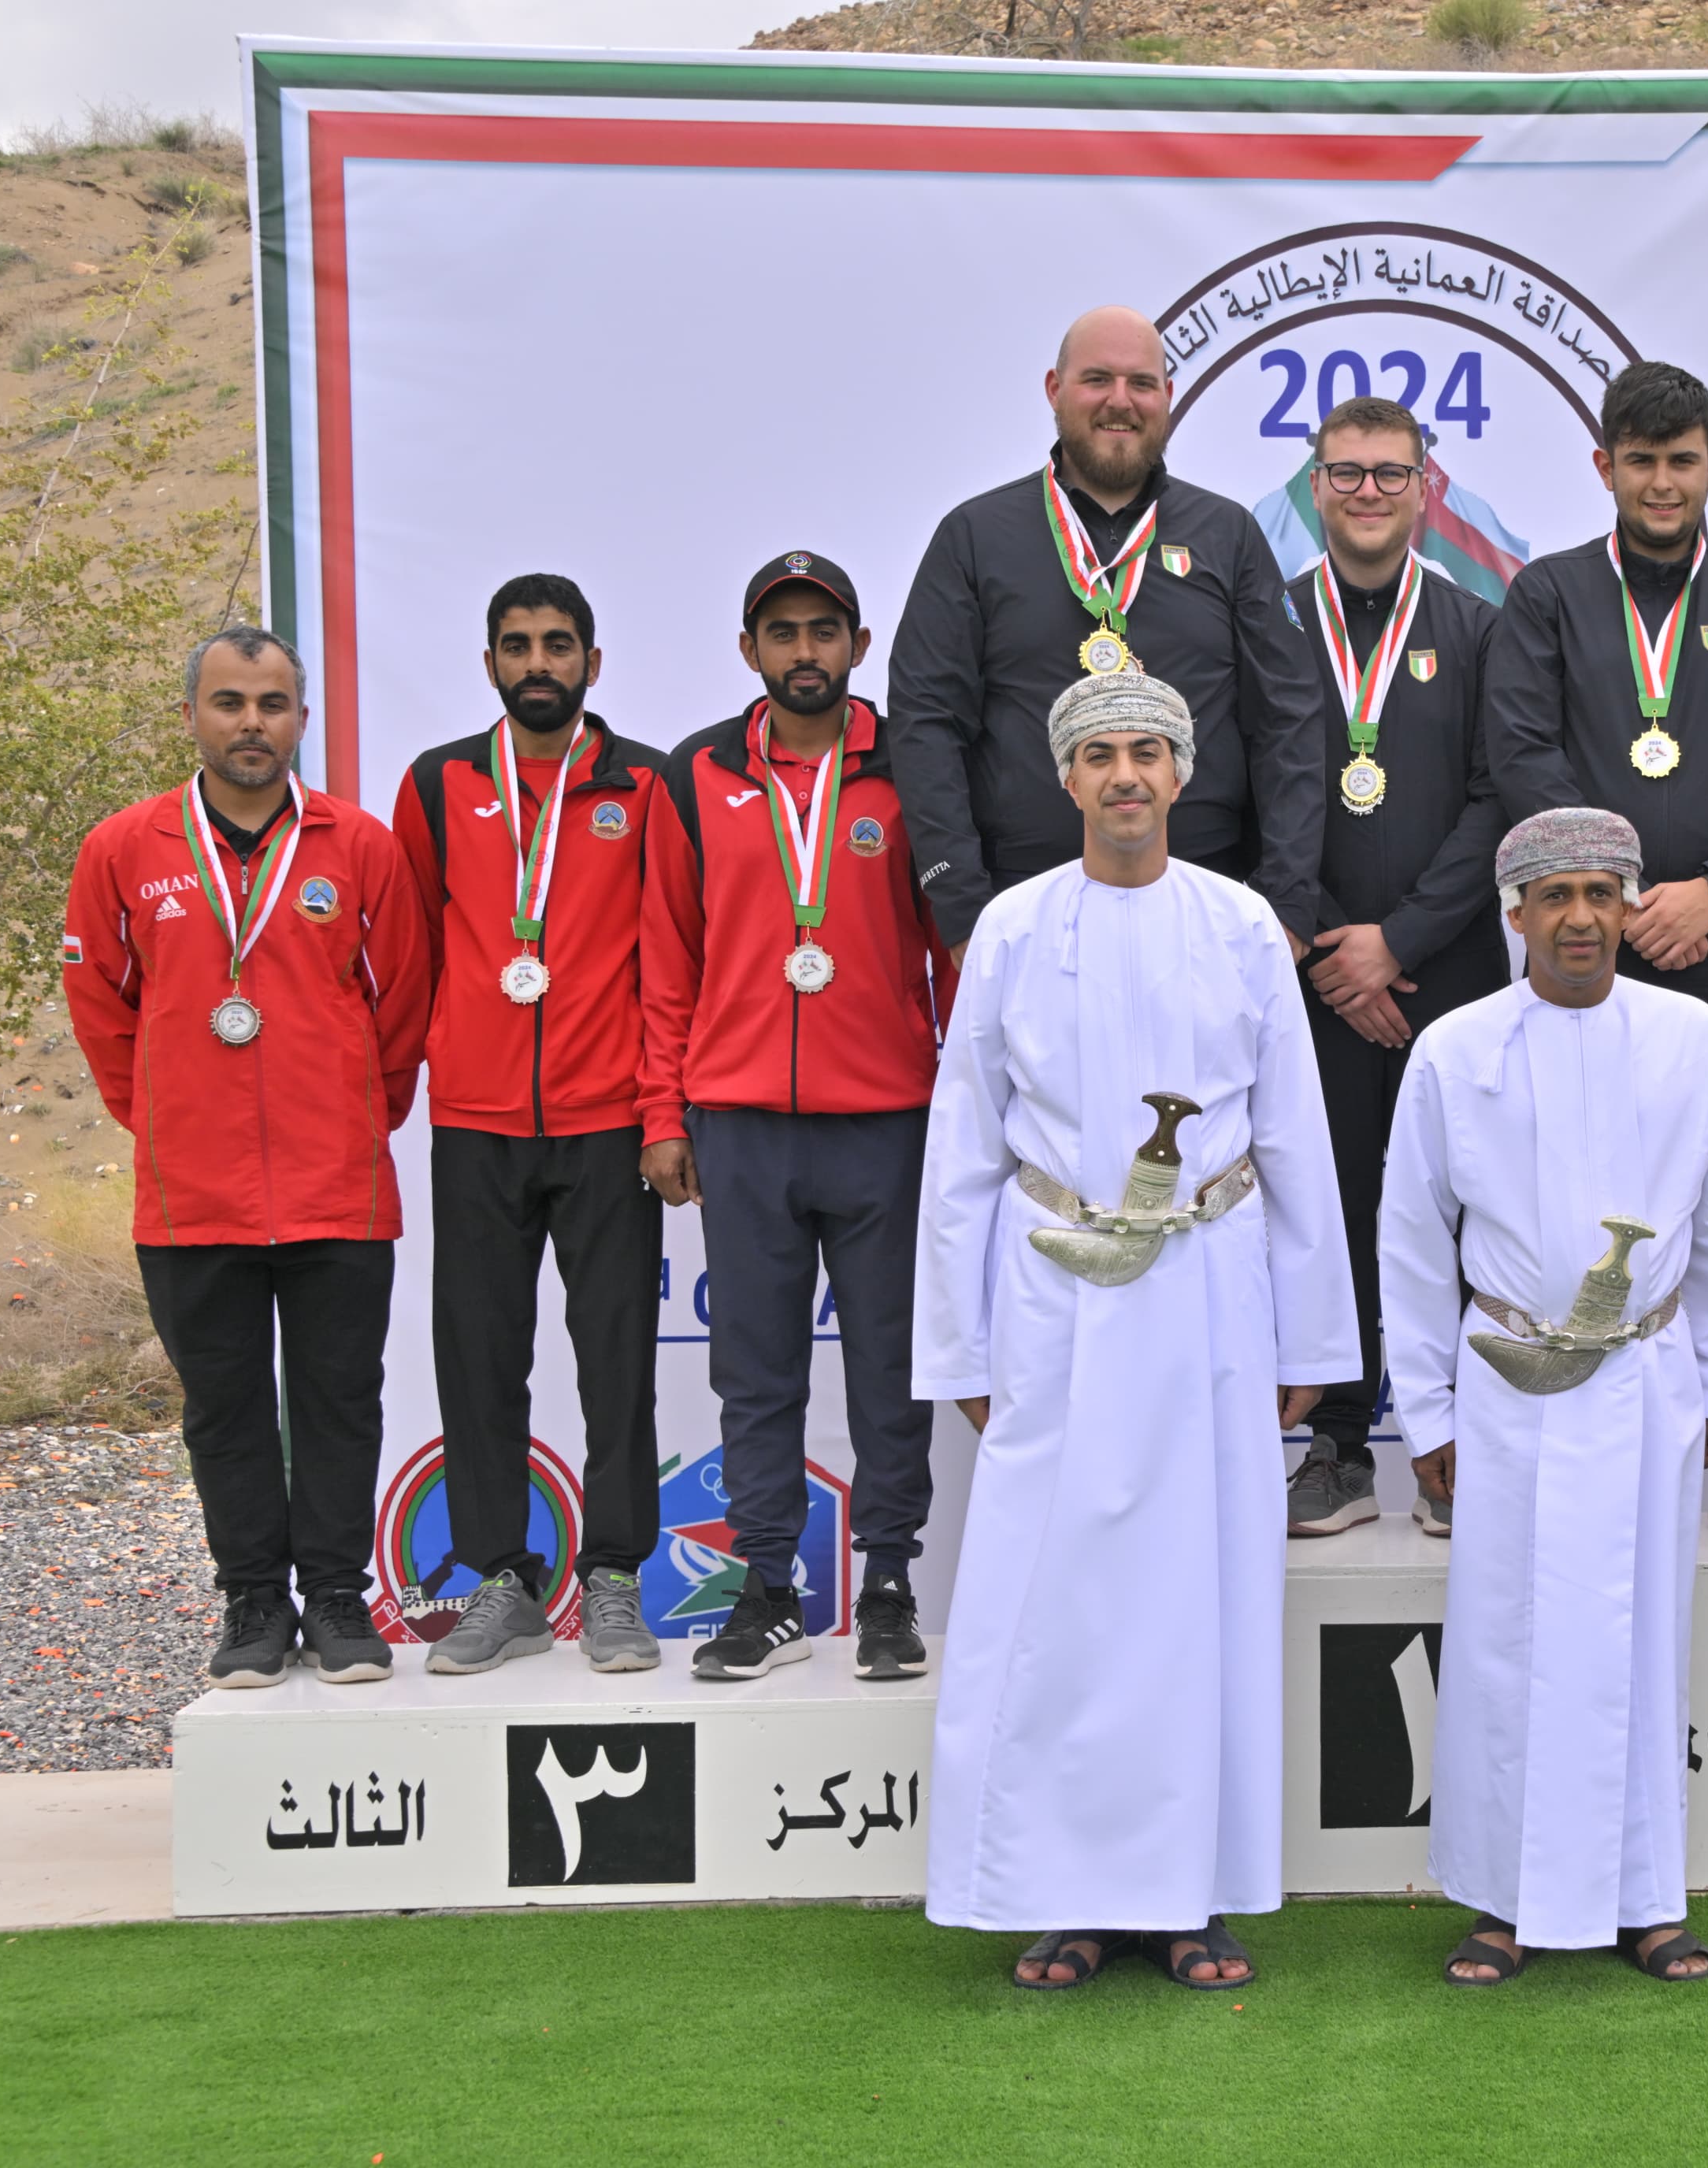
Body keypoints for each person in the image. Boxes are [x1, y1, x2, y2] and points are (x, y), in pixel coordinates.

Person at [912, 672, 1355, 1994]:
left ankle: (1190, 1896)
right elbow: (963, 1147)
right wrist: (962, 1349)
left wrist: (1307, 1343)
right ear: (1066, 777)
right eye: (1099, 753)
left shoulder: (1240, 923)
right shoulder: (1009, 927)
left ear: (1181, 771)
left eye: (1146, 752)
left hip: (1207, 1293)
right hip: (1054, 1291)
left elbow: (1291, 1133)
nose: (1123, 775)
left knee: (1198, 1598)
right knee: (1059, 1601)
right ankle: (1066, 1894)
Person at [1381, 808, 1708, 1988]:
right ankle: (1502, 1903)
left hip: (1649, 1381)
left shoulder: (1693, 1038)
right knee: (1505, 1644)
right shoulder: (1455, 1049)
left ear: (1629, 907)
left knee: (1640, 1641)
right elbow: (1412, 1239)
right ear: (1514, 913)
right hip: (1505, 1381)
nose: (1579, 919)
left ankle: (1646, 1899)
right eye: (1553, 896)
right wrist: (1429, 1410)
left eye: (1601, 895)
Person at [1479, 358, 1708, 1548]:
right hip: (1591, 940)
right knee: (1575, 1179)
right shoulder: (1548, 595)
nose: (1663, 483)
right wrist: (1618, 893)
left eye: (1683, 461)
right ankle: (1580, 1404)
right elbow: (1520, 750)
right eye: (1642, 462)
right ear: (1605, 468)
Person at [63, 626, 430, 1687]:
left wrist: (353, 1115)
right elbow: (102, 1008)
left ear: (301, 719)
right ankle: (255, 1602)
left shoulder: (359, 847)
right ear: (192, 716)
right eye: (229, 702)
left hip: (337, 1188)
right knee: (222, 1410)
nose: (251, 723)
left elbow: (401, 1009)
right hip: (193, 1195)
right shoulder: (124, 848)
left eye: (272, 704)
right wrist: (166, 1115)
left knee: (339, 1401)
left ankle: (338, 1598)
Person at [640, 552, 949, 1682]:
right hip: (741, 1122)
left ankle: (889, 1585)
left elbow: (951, 953)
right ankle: (767, 1586)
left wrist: (967, 1107)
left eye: (826, 631)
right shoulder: (697, 774)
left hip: (887, 1119)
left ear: (859, 647)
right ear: (749, 650)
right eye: (784, 633)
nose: (805, 651)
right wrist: (662, 1110)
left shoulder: (913, 766)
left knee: (891, 1366)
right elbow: (666, 959)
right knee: (755, 1369)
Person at [392, 574, 674, 1675]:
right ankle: (500, 1582)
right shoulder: (439, 783)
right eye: (517, 646)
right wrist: (423, 1078)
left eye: (558, 645)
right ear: (490, 664)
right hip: (476, 1120)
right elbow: (412, 949)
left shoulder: (645, 784)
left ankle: (613, 1578)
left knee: (617, 1358)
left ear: (592, 664)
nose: (538, 664)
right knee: (478, 1355)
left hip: (607, 1119)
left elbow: (670, 956)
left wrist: (661, 1107)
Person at [884, 303, 1330, 960]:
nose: (1121, 401)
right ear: (1054, 389)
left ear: (1167, 396)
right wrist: (963, 912)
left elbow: (1288, 718)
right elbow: (925, 720)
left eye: (1141, 384)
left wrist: (1285, 906)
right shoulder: (975, 538)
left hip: (1204, 912)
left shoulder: (1227, 534)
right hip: (1023, 916)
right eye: (1098, 380)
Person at [1277, 395, 1508, 1542]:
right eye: (1347, 473)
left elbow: (1498, 798)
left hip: (1446, 974)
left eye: (1389, 474)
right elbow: (1242, 797)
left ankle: (1450, 1445)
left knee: (1451, 1210)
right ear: (1315, 487)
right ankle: (1336, 1442)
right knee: (1328, 1206)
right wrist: (1337, 949)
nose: (1368, 492)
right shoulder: (1267, 622)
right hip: (1307, 978)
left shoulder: (1479, 629)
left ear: (1426, 489)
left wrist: (1399, 942)